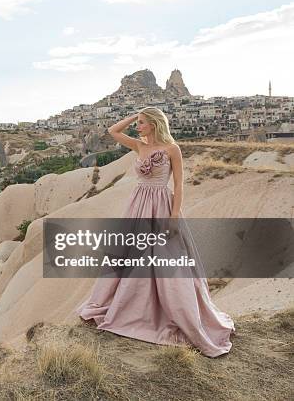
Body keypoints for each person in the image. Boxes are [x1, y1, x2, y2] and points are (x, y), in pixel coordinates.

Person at [75, 106, 235, 357]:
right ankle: (133, 305)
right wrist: (135, 113)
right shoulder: (140, 146)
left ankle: (174, 311)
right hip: (138, 204)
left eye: (141, 122)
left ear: (153, 124)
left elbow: (179, 186)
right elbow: (112, 131)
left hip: (161, 204)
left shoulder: (173, 149)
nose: (137, 126)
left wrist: (173, 219)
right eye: (137, 122)